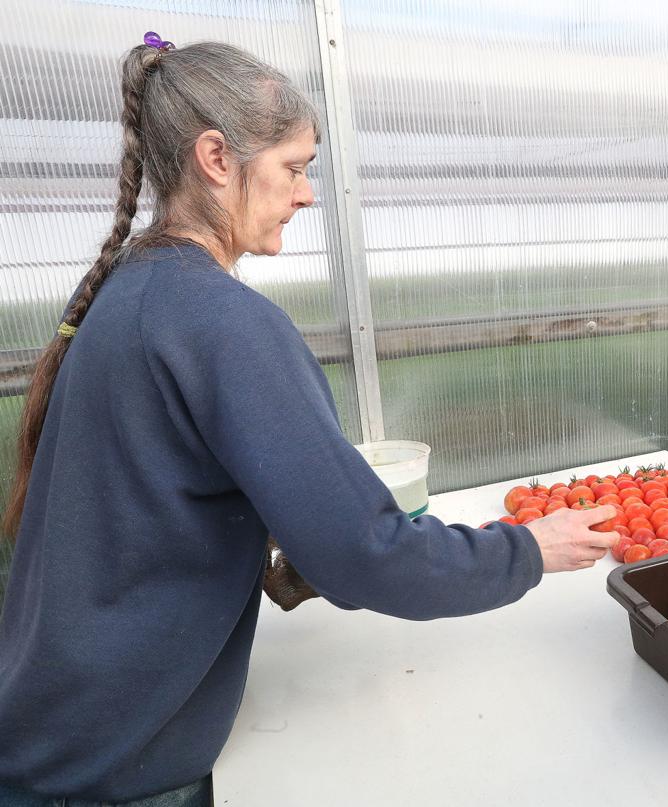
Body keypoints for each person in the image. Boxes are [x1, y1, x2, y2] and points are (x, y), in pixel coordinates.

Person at [0, 37, 617, 806]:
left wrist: (288, 549)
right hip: (111, 768)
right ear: (217, 158)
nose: (306, 195)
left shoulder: (126, 291)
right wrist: (528, 548)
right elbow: (367, 554)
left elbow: (151, 501)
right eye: (293, 168)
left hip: (49, 723)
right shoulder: (223, 322)